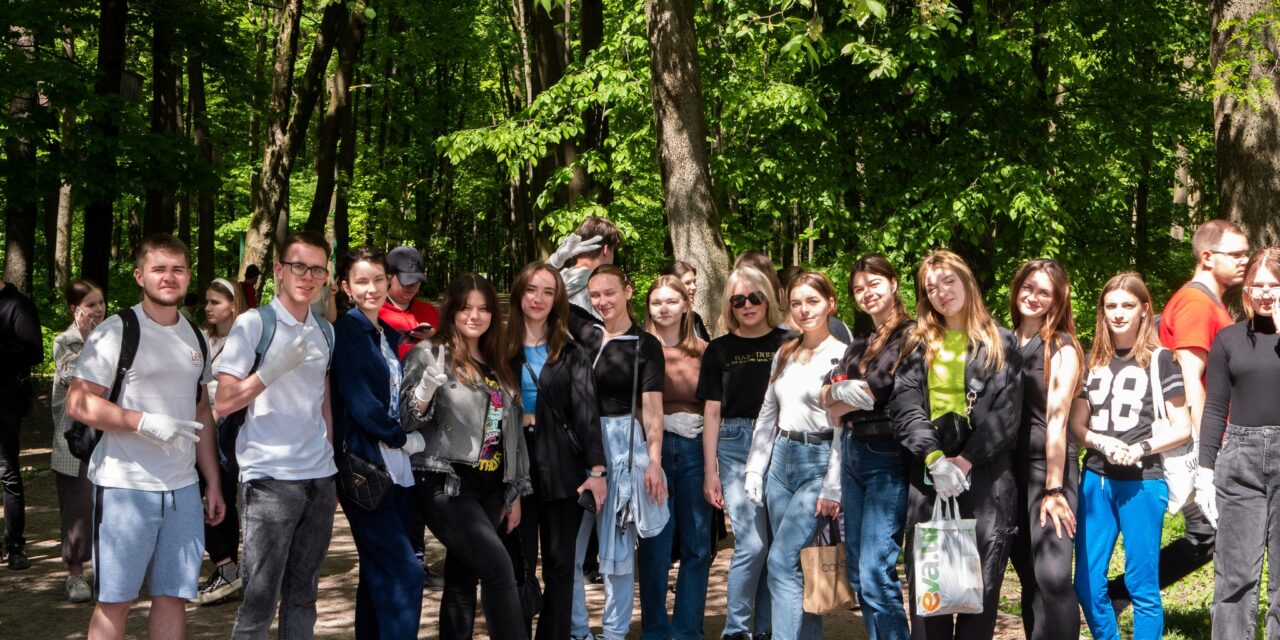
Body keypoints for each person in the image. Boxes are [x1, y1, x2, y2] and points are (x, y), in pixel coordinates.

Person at [66, 233, 224, 640]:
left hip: (182, 489)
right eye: (159, 269)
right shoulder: (117, 330)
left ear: (188, 275)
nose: (169, 277)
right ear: (140, 276)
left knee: (173, 597)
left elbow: (200, 412)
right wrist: (142, 421)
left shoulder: (195, 336)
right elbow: (78, 403)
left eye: (178, 269)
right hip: (125, 487)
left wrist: (212, 481)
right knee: (115, 601)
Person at [1108, 219, 1248, 608]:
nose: (1244, 260)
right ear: (1207, 257)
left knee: (1208, 535)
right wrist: (1208, 457)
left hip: (1202, 441)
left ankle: (1117, 594)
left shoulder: (1208, 303)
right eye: (1236, 254)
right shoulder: (1196, 305)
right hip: (1194, 445)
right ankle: (1116, 595)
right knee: (1209, 534)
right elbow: (1190, 382)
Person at [889, 250, 1022, 640]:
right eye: (931, 288)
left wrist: (965, 460)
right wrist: (935, 459)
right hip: (929, 478)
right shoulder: (917, 342)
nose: (941, 292)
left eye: (949, 281)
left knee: (978, 592)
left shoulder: (1000, 341)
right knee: (930, 593)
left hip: (986, 480)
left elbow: (1007, 413)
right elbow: (905, 404)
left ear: (967, 282)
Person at [215, 230, 339, 639]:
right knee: (259, 601)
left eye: (317, 269)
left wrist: (329, 460)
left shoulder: (325, 330)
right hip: (269, 479)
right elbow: (224, 401)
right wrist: (269, 371)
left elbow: (322, 399)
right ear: (279, 270)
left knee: (303, 597)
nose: (308, 276)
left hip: (319, 479)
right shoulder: (253, 324)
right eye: (299, 266)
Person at [401, 274, 532, 640]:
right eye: (466, 308)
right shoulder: (429, 353)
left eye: (484, 308)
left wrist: (514, 492)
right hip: (445, 482)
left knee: (463, 578)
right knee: (499, 569)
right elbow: (407, 420)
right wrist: (427, 386)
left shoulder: (498, 360)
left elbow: (511, 431)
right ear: (451, 310)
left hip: (491, 487)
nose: (475, 316)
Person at [1070, 272, 1191, 640]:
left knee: (1142, 585)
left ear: (1144, 310)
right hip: (1096, 480)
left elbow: (1182, 427)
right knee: (1086, 582)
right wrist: (1100, 442)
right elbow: (1077, 426)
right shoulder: (1091, 360)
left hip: (1143, 482)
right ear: (1102, 311)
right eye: (1111, 306)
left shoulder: (1162, 359)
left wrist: (1141, 448)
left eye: (1127, 305)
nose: (1119, 313)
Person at [503, 262, 607, 640]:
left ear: (558, 299)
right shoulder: (498, 347)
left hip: (562, 461)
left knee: (561, 565)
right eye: (532, 289)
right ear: (519, 293)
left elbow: (587, 414)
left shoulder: (571, 351)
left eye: (549, 292)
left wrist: (597, 472)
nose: (539, 298)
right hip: (512, 461)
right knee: (516, 564)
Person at [744, 270, 847, 640]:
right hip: (780, 462)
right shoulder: (785, 352)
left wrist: (833, 486)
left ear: (830, 303)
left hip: (819, 461)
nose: (805, 310)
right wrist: (755, 469)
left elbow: (844, 426)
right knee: (799, 566)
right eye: (797, 303)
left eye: (813, 301)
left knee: (780, 562)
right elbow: (767, 413)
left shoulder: (842, 356)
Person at [331, 248, 426, 639]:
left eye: (377, 280)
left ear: (389, 282)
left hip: (396, 467)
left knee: (377, 576)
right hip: (365, 467)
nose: (371, 289)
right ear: (346, 287)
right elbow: (361, 403)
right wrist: (401, 437)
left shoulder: (385, 333)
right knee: (406, 571)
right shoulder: (347, 332)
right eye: (361, 281)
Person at [819, 255, 914, 640]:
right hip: (853, 452)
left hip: (887, 456)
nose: (866, 293)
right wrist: (841, 394)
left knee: (876, 571)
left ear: (893, 283)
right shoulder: (859, 344)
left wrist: (840, 394)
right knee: (859, 571)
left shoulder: (909, 335)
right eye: (859, 289)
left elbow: (876, 391)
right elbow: (824, 396)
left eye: (874, 284)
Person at [572, 264, 667, 640]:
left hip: (622, 444)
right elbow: (546, 288)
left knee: (618, 551)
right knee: (570, 549)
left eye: (609, 292)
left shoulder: (646, 345)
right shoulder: (585, 333)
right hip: (578, 445)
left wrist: (655, 460)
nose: (602, 301)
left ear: (628, 291)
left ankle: (613, 633)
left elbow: (653, 408)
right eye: (595, 294)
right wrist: (576, 254)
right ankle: (577, 630)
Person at [699, 266, 789, 640]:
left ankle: (765, 629)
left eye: (754, 297)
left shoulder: (790, 342)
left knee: (775, 546)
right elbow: (711, 413)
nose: (747, 305)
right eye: (738, 300)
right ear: (729, 306)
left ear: (768, 298)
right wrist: (710, 472)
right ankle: (736, 629)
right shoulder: (719, 349)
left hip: (782, 443)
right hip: (734, 444)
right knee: (752, 545)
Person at [1195, 248, 1280, 639]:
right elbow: (1215, 407)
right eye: (1257, 285)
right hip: (1240, 459)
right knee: (1235, 576)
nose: (1265, 293)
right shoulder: (1229, 339)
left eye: (1274, 285)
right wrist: (1204, 469)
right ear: (1246, 290)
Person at [1007, 259, 1083, 640]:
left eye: (1044, 292)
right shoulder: (1003, 341)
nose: (1033, 297)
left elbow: (1057, 420)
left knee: (1052, 577)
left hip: (1048, 468)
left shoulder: (1062, 347)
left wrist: (1054, 489)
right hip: (1007, 471)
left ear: (1057, 299)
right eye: (1028, 287)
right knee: (1028, 575)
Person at [637, 275, 712, 640]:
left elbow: (716, 406)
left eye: (671, 301)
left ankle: (687, 630)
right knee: (656, 544)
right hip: (654, 450)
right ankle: (655, 629)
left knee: (698, 544)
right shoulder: (637, 348)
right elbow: (624, 403)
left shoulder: (705, 351)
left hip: (697, 449)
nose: (663, 308)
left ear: (686, 305)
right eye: (656, 302)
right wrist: (662, 423)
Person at [50, 280, 106, 600]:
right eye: (91, 305)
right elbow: (72, 377)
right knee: (77, 505)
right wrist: (89, 341)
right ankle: (75, 574)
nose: (98, 310)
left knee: (107, 504)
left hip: (108, 435)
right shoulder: (64, 341)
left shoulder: (114, 337)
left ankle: (105, 569)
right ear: (76, 310)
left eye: (101, 303)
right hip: (74, 440)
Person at [195, 278, 249, 606]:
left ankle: (229, 569)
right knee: (191, 496)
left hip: (229, 430)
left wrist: (216, 416)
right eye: (207, 301)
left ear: (233, 304)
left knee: (225, 498)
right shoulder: (203, 339)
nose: (208, 308)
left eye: (215, 302)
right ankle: (225, 564)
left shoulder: (246, 339)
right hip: (200, 427)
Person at [0, 277, 42, 571]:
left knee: (7, 472)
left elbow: (34, 351)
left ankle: (15, 545)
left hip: (5, 399)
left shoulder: (18, 305)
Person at [548, 215, 623, 324]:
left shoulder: (554, 282)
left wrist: (552, 263)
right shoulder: (604, 288)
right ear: (606, 250)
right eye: (613, 251)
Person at [381, 245, 441, 360]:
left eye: (416, 280)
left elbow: (452, 346)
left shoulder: (430, 311)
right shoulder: (375, 314)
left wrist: (435, 337)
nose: (412, 285)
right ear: (389, 278)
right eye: (406, 281)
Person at [659, 261, 711, 341]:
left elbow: (708, 348)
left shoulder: (695, 319)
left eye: (694, 282)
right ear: (670, 286)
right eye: (687, 283)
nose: (694, 287)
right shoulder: (659, 318)